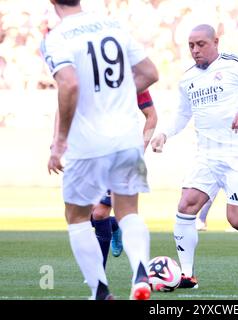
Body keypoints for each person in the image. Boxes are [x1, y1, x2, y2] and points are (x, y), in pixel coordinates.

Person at [151, 24, 238, 289]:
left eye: (200, 44)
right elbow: (182, 114)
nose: (195, 50)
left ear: (215, 41)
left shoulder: (234, 65)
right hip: (207, 155)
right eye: (191, 45)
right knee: (186, 205)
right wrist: (165, 133)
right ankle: (187, 275)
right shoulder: (188, 78)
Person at [42, 0, 159, 299]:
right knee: (128, 211)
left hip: (88, 142)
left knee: (78, 216)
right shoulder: (113, 24)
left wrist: (59, 142)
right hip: (127, 136)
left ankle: (100, 290)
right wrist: (116, 95)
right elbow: (149, 72)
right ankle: (141, 273)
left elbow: (68, 85)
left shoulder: (56, 37)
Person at [91, 90, 158, 266]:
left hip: (121, 155)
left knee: (99, 213)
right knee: (81, 215)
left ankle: (99, 275)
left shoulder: (133, 80)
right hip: (92, 154)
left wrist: (141, 148)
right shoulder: (89, 77)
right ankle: (115, 225)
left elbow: (151, 116)